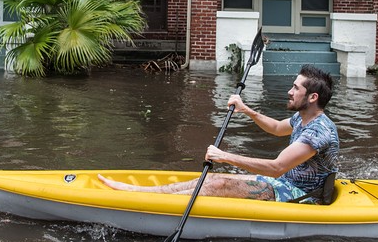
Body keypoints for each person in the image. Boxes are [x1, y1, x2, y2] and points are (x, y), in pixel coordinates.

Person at [99, 65, 339, 202]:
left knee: (220, 183)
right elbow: (277, 128)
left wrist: (225, 156)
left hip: (304, 196)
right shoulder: (303, 117)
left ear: (312, 97)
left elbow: (276, 167)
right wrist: (246, 110)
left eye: (295, 88)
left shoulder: (319, 131)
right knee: (210, 179)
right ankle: (139, 193)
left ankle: (152, 204)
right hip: (286, 184)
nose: (289, 91)